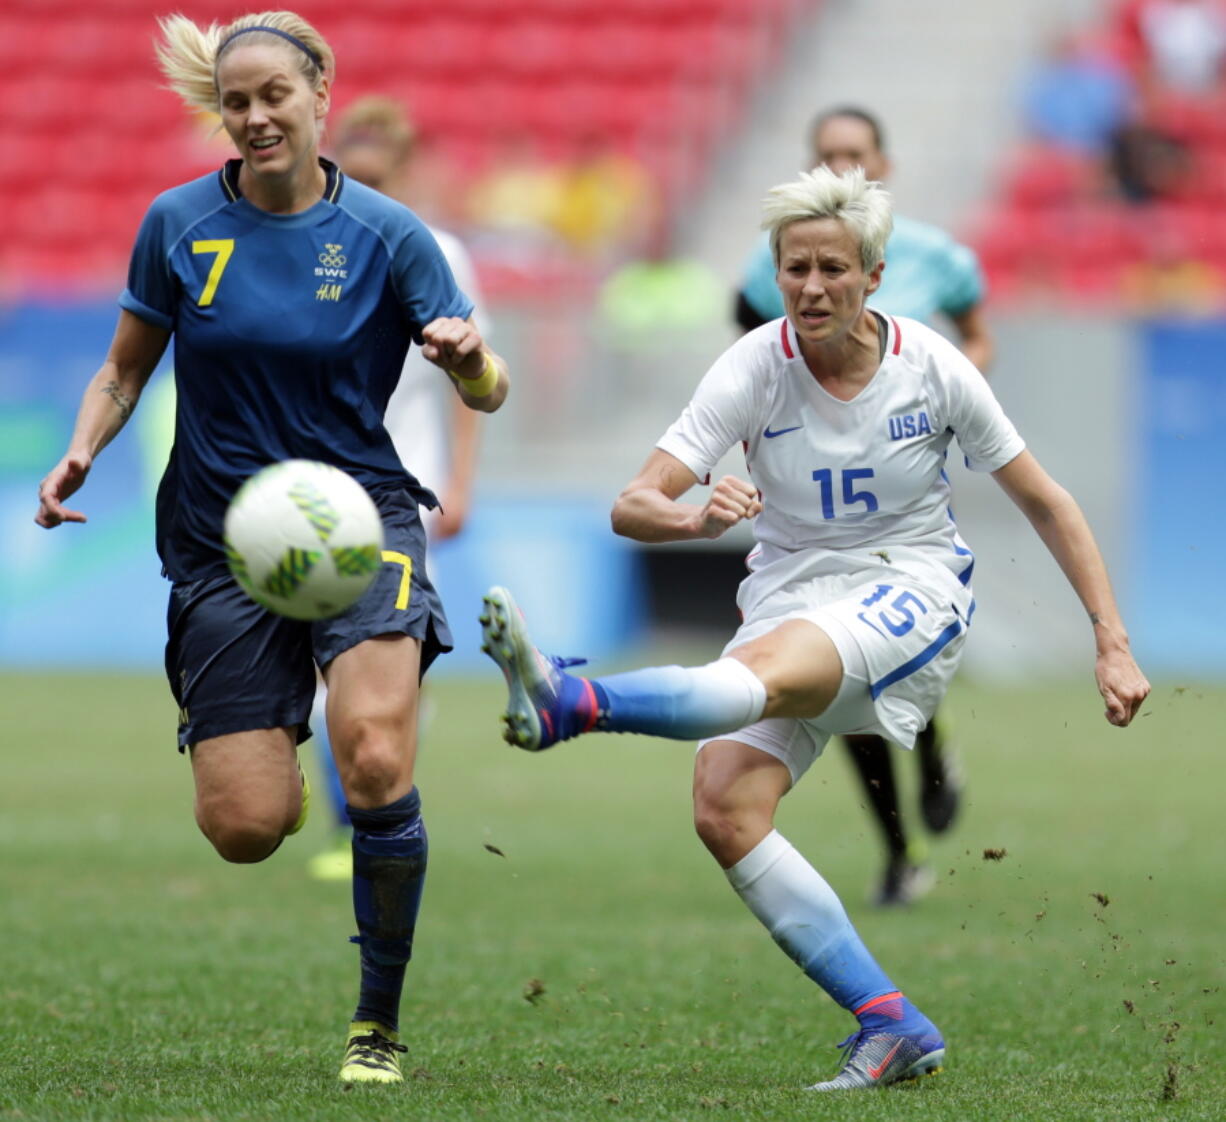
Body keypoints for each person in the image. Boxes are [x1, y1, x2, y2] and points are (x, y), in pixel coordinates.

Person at [481, 165, 1149, 1092]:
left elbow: (1047, 502)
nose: (813, 288)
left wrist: (1110, 641)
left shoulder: (933, 368)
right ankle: (890, 1022)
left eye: (834, 268)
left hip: (910, 587)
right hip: (791, 592)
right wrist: (697, 518)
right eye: (796, 268)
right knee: (725, 806)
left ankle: (573, 700)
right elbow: (634, 505)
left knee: (766, 667)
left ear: (874, 275)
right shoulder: (755, 364)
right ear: (776, 270)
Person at [34, 11, 509, 1085]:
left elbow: (489, 385)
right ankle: (272, 731)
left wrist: (471, 360)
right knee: (246, 827)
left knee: (379, 755)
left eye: (271, 97)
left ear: (319, 92)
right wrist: (82, 449)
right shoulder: (175, 223)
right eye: (234, 102)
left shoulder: (393, 237)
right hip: (219, 538)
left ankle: (375, 1023)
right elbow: (123, 368)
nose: (252, 118)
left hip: (361, 516)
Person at [735, 106, 994, 906]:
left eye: (856, 155)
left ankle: (935, 741)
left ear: (886, 161)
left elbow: (975, 336)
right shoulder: (764, 263)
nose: (843, 169)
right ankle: (899, 846)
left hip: (905, 501)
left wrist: (953, 399)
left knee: (901, 647)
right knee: (844, 697)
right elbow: (754, 361)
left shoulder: (934, 256)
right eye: (827, 157)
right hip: (819, 512)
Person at [307, 95, 489, 882]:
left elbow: (469, 376)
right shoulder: (317, 250)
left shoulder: (438, 252)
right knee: (325, 675)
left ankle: (381, 818)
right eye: (358, 170)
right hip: (316, 495)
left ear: (405, 173)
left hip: (401, 497)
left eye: (383, 173)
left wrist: (460, 480)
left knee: (393, 667)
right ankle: (350, 822)